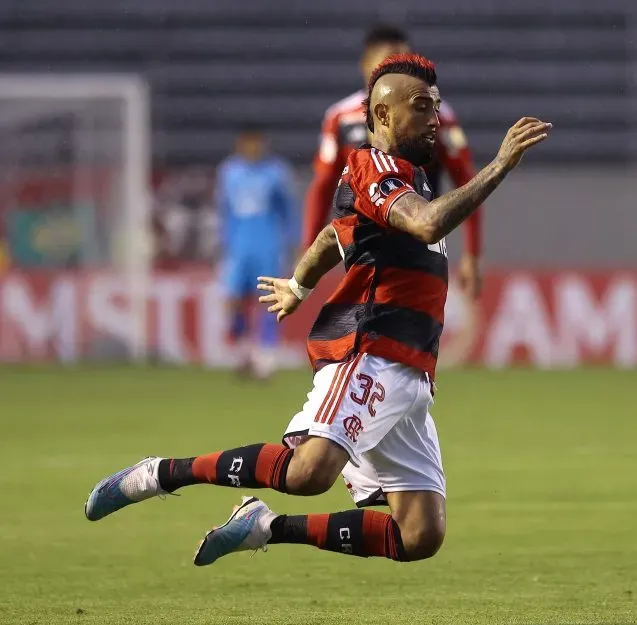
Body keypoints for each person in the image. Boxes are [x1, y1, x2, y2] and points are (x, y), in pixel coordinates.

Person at [85, 54, 552, 567]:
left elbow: (338, 232)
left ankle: (264, 526)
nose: (435, 118)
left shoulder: (409, 176)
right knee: (309, 472)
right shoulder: (373, 166)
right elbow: (427, 225)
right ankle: (160, 473)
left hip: (412, 370)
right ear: (382, 115)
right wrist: (500, 165)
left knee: (419, 534)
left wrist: (300, 282)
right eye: (421, 107)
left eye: (437, 107)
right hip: (369, 350)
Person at [303, 25, 483, 299]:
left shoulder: (438, 116)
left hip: (420, 245)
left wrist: (472, 254)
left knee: (412, 331)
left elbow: (467, 183)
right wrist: (308, 249)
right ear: (366, 65)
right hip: (362, 250)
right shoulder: (340, 118)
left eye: (405, 59)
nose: (401, 68)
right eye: (390, 60)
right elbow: (323, 186)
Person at [215, 128, 299, 378]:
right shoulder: (229, 172)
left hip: (268, 244)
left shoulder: (276, 172)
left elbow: (288, 211)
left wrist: (293, 244)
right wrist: (222, 243)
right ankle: (240, 353)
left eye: (257, 143)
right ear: (241, 144)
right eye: (248, 143)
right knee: (234, 301)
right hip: (238, 247)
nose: (253, 148)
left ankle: (265, 358)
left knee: (269, 301)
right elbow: (223, 210)